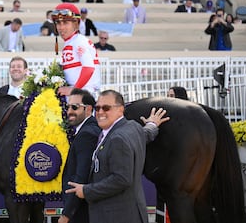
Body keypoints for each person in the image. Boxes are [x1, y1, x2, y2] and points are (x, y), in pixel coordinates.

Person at [65, 90, 169, 223]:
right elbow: (145, 134)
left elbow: (121, 179)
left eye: (106, 108)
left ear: (121, 110)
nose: (100, 112)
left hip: (115, 216)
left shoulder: (117, 138)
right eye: (97, 108)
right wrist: (152, 125)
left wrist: (86, 191)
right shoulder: (133, 127)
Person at [58, 88, 101, 223]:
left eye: (75, 107)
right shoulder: (88, 129)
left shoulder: (86, 134)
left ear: (88, 109)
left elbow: (80, 178)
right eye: (68, 106)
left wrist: (66, 215)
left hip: (81, 211)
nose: (69, 111)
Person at [52, 3, 101, 96]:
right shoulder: (72, 41)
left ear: (76, 24)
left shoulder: (79, 41)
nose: (61, 27)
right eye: (58, 22)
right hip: (78, 95)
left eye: (66, 23)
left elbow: (89, 68)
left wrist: (74, 90)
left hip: (84, 95)